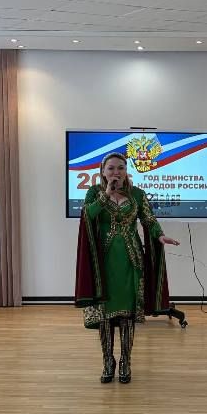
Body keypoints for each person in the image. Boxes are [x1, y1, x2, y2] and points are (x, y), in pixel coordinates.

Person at [74, 152, 179, 384]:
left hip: (131, 262)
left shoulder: (137, 194)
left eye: (120, 168)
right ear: (103, 171)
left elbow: (149, 219)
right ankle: (107, 361)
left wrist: (159, 236)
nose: (116, 172)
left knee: (127, 315)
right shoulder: (94, 192)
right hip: (103, 263)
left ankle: (125, 361)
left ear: (126, 171)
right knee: (105, 315)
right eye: (111, 168)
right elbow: (88, 215)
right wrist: (106, 194)